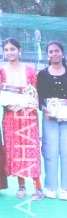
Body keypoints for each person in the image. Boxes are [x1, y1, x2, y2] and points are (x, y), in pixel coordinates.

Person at [36, 43, 67, 201]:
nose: (54, 54)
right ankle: (50, 187)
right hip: (49, 119)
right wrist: (45, 109)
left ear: (63, 53)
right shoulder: (42, 74)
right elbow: (40, 96)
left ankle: (66, 188)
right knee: (50, 152)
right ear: (47, 55)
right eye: (51, 51)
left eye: (57, 51)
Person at [1, 37, 44, 200]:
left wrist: (28, 105)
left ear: (19, 51)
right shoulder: (2, 71)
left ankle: (37, 187)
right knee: (16, 150)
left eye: (12, 49)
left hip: (28, 116)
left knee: (31, 150)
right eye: (6, 49)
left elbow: (36, 93)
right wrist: (7, 105)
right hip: (11, 117)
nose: (9, 52)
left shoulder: (29, 70)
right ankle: (21, 185)